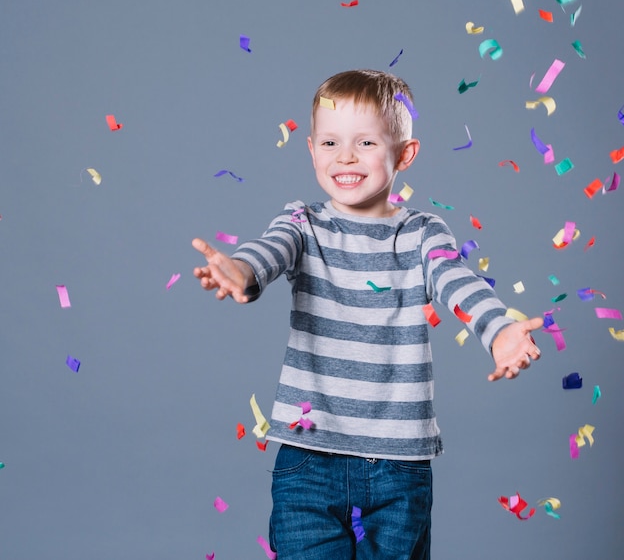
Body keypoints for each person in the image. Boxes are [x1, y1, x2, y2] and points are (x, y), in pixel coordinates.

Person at [192, 69, 542, 559]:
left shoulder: (422, 233)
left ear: (404, 154)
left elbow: (455, 280)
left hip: (399, 468)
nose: (346, 157)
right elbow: (270, 252)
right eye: (331, 142)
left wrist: (499, 328)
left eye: (366, 143)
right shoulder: (303, 224)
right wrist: (241, 271)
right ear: (311, 150)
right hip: (308, 462)